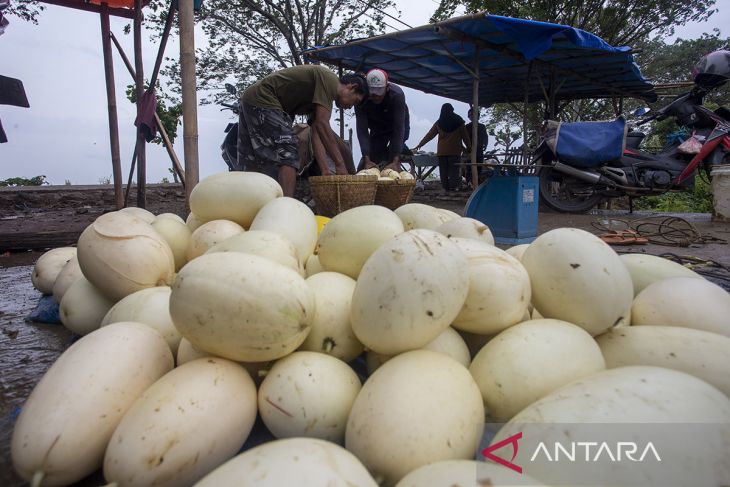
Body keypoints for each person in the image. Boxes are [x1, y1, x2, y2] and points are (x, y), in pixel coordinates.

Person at [238, 65, 368, 196]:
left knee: (251, 159)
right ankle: (285, 204)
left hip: (250, 98)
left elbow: (316, 131)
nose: (350, 107)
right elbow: (323, 123)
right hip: (264, 98)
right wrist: (340, 164)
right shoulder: (330, 80)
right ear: (352, 87)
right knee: (289, 151)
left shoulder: (320, 97)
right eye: (355, 101)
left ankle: (249, 201)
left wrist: (325, 171)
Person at [355, 68, 410, 172]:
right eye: (372, 92)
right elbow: (362, 130)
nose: (375, 96)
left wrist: (395, 160)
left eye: (379, 91)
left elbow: (399, 129)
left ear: (387, 87)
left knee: (393, 157)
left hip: (397, 123)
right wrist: (367, 158)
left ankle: (392, 164)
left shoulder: (397, 95)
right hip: (377, 126)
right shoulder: (361, 98)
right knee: (372, 156)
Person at [413, 103, 471, 191]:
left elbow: (429, 135)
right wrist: (469, 147)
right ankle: (453, 188)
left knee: (443, 171)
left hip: (442, 152)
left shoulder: (439, 122)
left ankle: (445, 188)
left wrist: (420, 145)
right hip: (454, 151)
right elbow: (465, 136)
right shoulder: (459, 121)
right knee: (454, 171)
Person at [465, 107, 489, 184]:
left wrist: (485, 145)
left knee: (478, 166)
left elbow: (485, 137)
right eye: (470, 115)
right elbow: (464, 138)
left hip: (479, 149)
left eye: (474, 115)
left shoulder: (482, 126)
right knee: (469, 167)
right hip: (470, 150)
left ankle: (476, 182)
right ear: (469, 117)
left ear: (478, 116)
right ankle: (469, 182)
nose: (472, 117)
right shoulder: (467, 127)